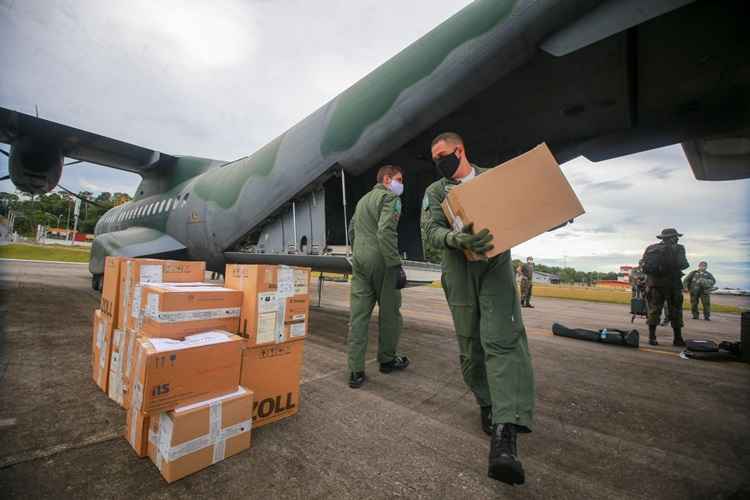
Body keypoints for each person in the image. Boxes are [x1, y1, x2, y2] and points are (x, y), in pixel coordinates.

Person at [423, 132, 534, 486]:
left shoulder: (493, 180)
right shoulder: (435, 192)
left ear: (460, 150)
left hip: (495, 269)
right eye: (435, 158)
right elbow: (430, 232)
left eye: (443, 155)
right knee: (471, 345)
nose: (440, 161)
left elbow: (521, 212)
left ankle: (505, 433)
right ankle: (487, 402)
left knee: (502, 341)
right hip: (458, 271)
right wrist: (455, 239)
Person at [347, 165, 410, 389]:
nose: (401, 184)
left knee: (359, 316)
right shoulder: (389, 198)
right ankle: (387, 360)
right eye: (399, 179)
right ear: (386, 179)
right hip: (382, 261)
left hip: (360, 260)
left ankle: (355, 371)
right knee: (390, 313)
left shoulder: (363, 201)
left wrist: (359, 251)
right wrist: (395, 264)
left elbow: (352, 229)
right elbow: (385, 231)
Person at [641, 228, 690, 346]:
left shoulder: (650, 248)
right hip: (672, 284)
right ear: (672, 238)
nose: (678, 239)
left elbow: (643, 264)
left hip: (654, 284)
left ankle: (652, 338)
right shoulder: (679, 248)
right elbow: (683, 264)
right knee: (676, 311)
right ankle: (677, 339)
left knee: (654, 310)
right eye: (676, 236)